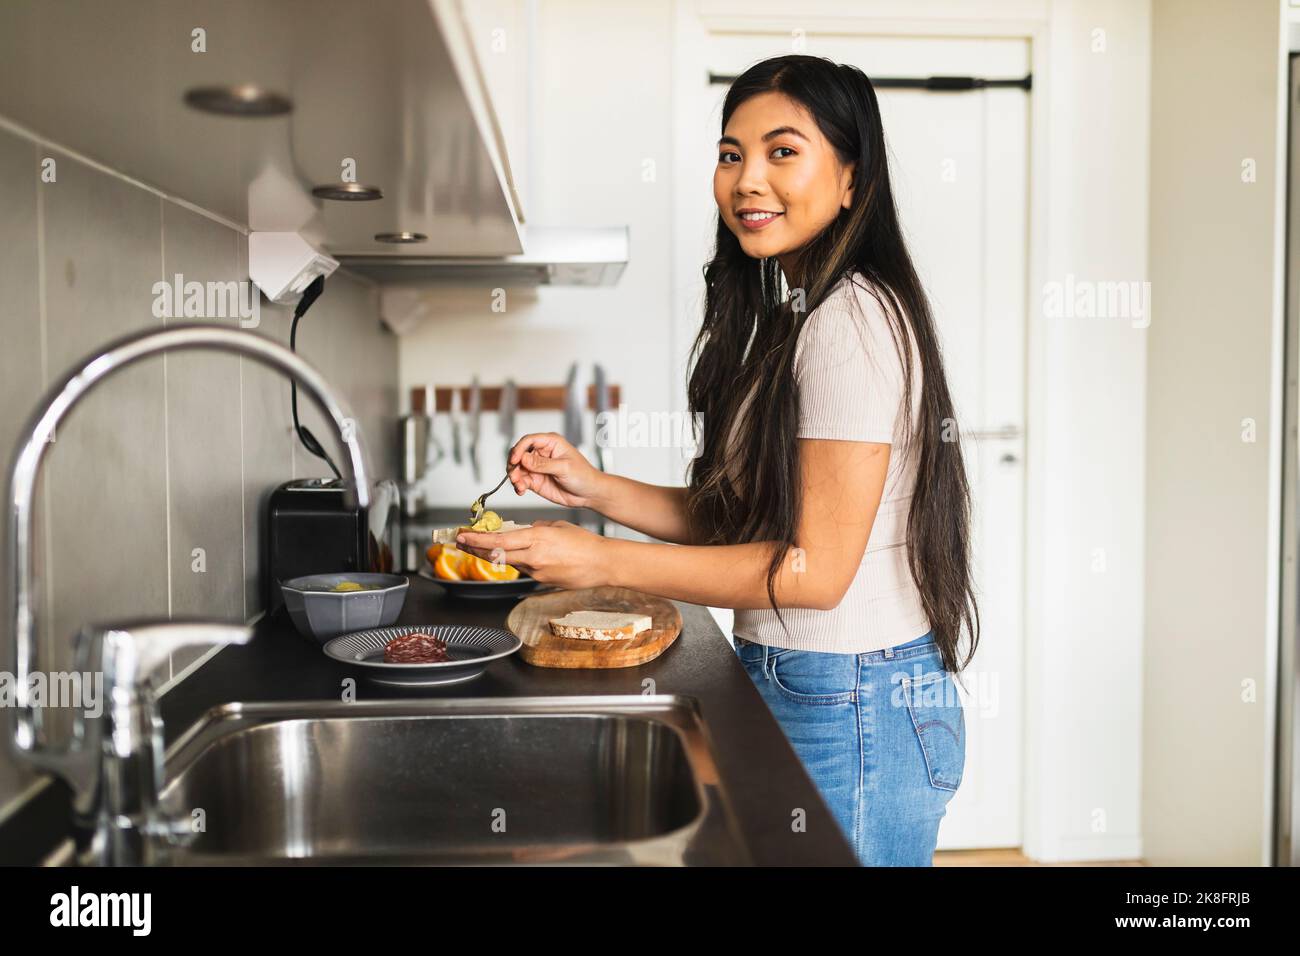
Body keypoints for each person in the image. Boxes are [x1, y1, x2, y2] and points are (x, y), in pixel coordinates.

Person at [456, 54, 979, 866]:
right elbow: (744, 522)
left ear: (851, 178)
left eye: (782, 151)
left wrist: (598, 562)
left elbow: (812, 572)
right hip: (816, 685)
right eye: (731, 154)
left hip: (856, 702)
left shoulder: (850, 321)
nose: (746, 181)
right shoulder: (794, 317)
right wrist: (594, 487)